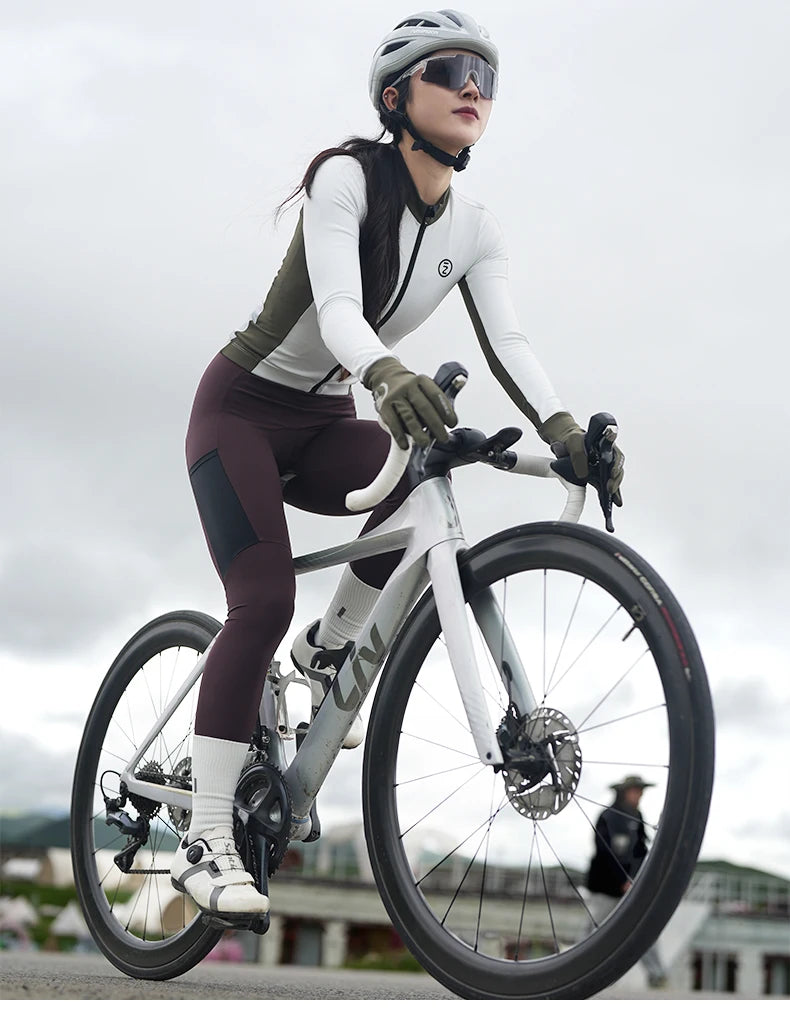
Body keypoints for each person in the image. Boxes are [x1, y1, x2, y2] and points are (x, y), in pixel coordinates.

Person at [170, 9, 625, 919]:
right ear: (395, 95)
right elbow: (340, 305)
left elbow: (510, 341)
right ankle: (204, 839)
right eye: (450, 70)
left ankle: (331, 651)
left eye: (485, 78)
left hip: (330, 418)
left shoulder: (476, 227)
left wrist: (568, 429)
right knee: (259, 601)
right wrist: (385, 373)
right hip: (242, 414)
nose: (472, 89)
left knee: (421, 477)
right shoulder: (347, 179)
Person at [586, 775, 667, 988]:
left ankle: (657, 974)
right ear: (624, 791)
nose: (639, 795)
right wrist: (622, 879)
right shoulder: (608, 816)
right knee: (595, 928)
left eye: (641, 791)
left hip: (631, 887)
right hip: (606, 886)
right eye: (636, 790)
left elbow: (641, 850)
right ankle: (575, 968)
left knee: (643, 928)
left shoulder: (637, 816)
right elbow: (604, 851)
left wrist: (639, 878)